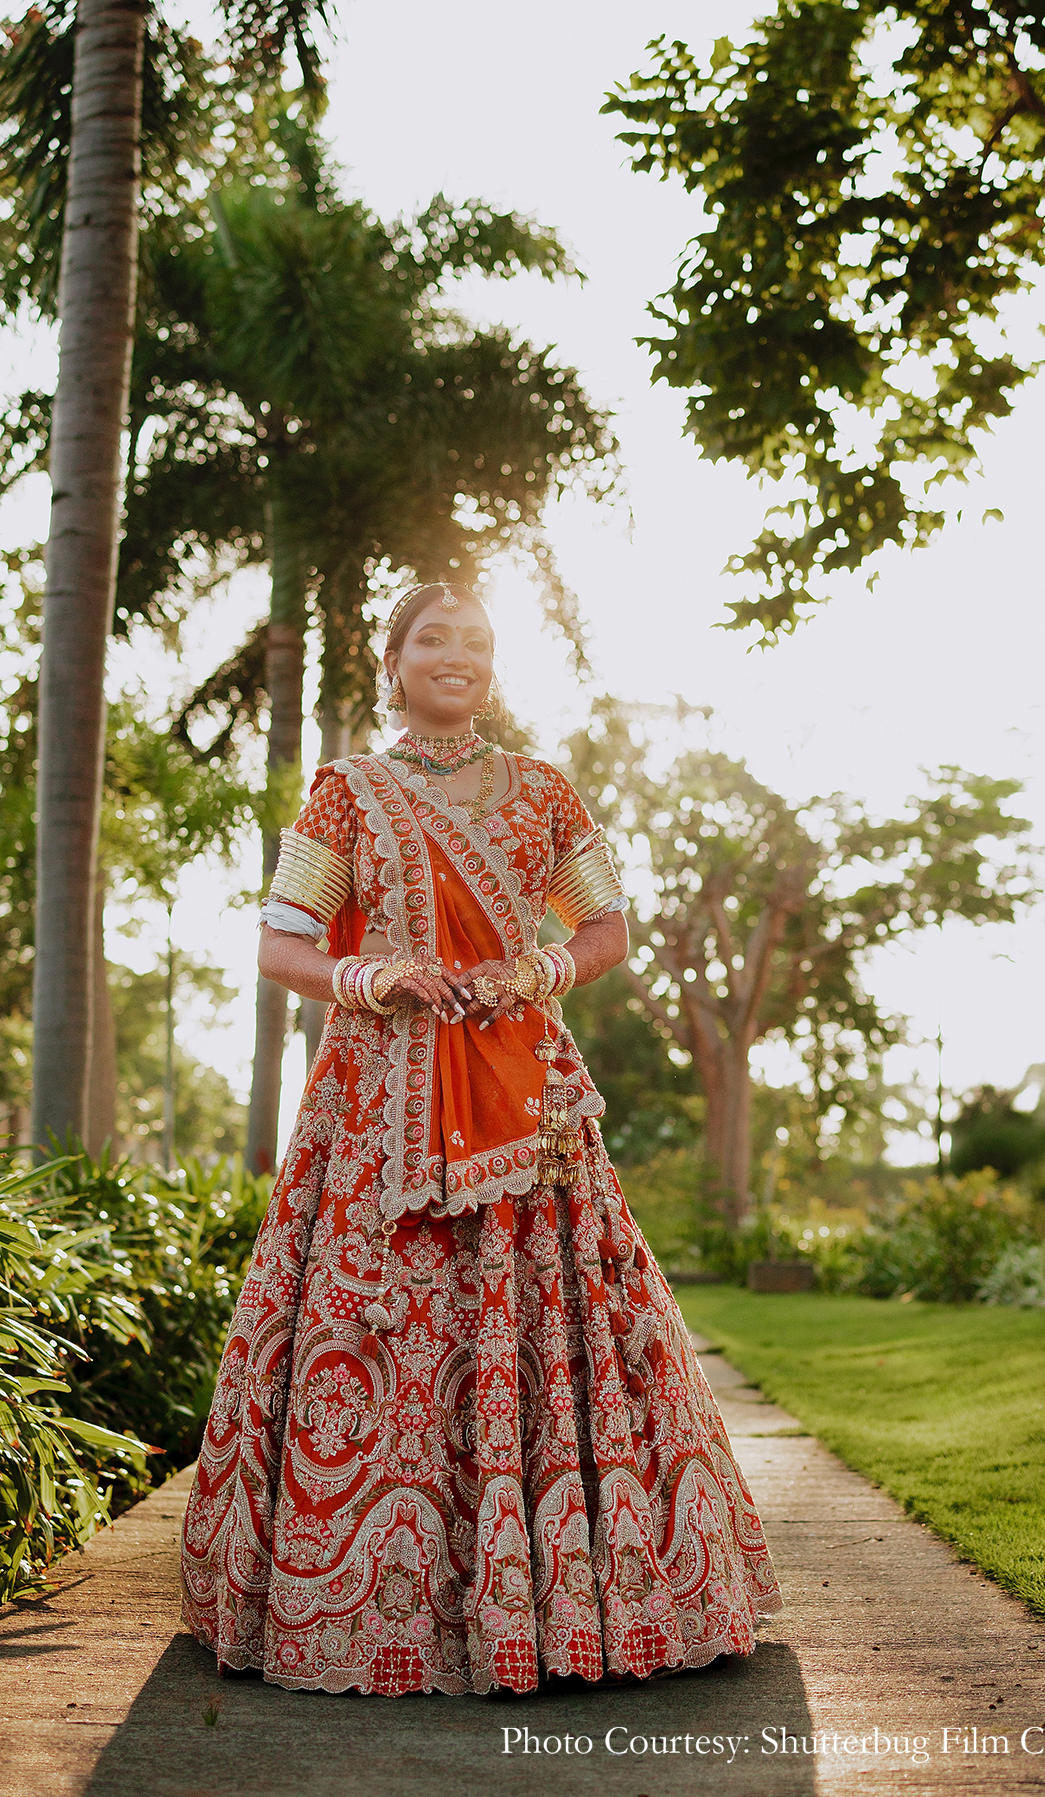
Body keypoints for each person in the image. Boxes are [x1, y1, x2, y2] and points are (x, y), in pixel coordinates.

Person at [180, 580, 780, 1696]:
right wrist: (373, 974)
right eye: (433, 639)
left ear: (493, 666)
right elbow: (281, 944)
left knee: (549, 1318)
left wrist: (533, 967)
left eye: (476, 641)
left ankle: (571, 1595)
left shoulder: (545, 790)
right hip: (376, 1105)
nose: (456, 655)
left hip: (525, 1092)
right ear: (393, 659)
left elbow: (607, 926)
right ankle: (369, 1598)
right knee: (381, 1323)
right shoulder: (348, 792)